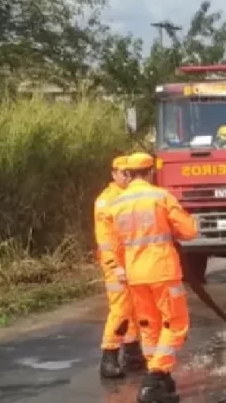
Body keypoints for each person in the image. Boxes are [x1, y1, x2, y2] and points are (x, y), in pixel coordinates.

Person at [104, 152, 198, 403]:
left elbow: (114, 246)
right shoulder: (160, 197)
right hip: (162, 271)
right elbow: (189, 232)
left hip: (135, 276)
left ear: (128, 174)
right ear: (150, 172)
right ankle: (155, 377)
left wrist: (120, 270)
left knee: (149, 326)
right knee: (176, 324)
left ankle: (161, 376)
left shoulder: (116, 204)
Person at [95, 155, 145, 379]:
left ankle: (133, 354)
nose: (127, 176)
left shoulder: (129, 196)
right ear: (113, 173)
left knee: (134, 309)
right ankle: (109, 355)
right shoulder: (106, 201)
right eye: (123, 172)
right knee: (120, 310)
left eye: (129, 172)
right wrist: (115, 266)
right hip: (117, 265)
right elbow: (104, 241)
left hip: (133, 262)